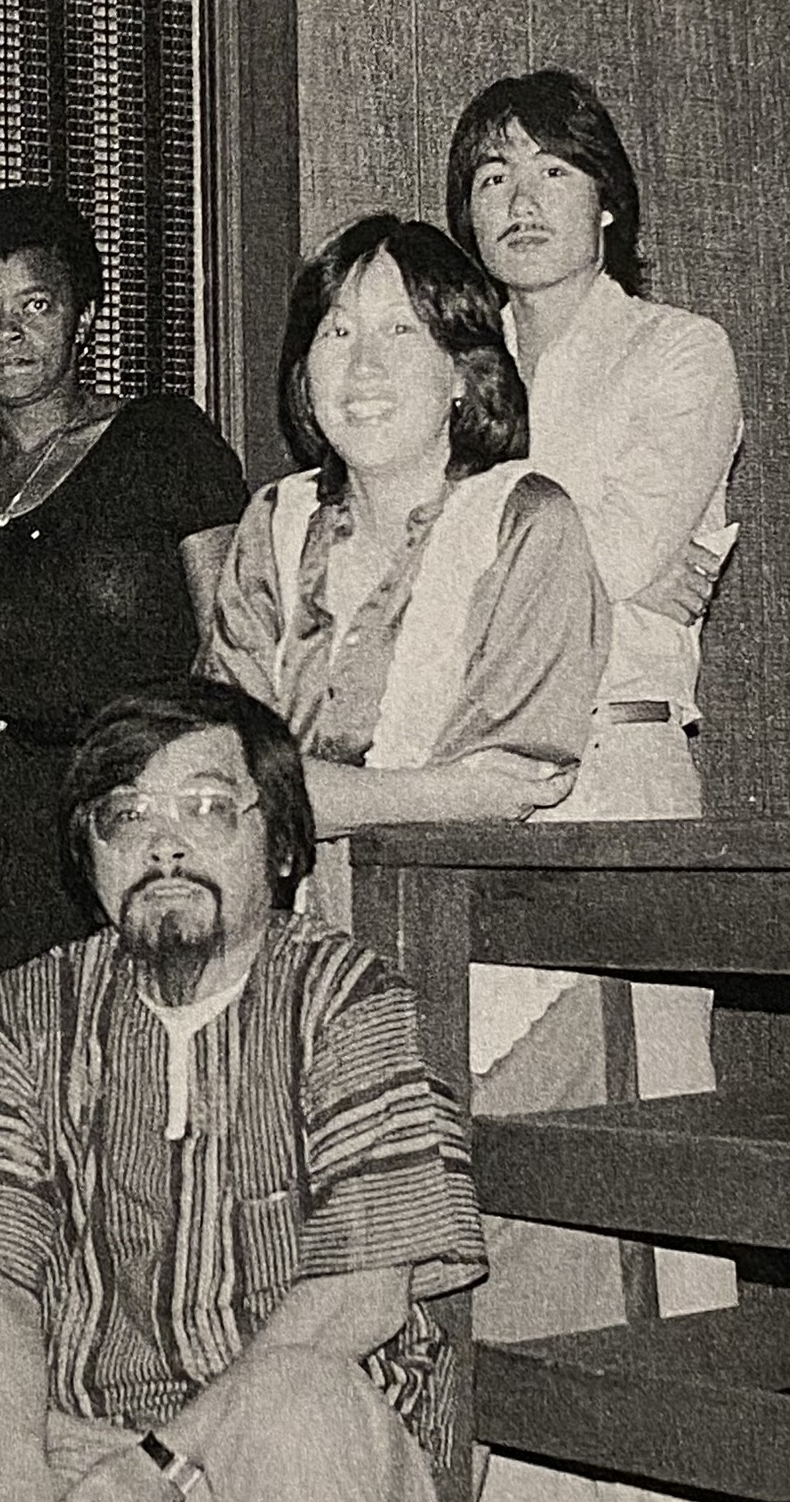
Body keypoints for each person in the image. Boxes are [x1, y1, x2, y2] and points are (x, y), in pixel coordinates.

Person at [0, 679, 487, 1502]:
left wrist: (157, 1466)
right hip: (76, 1443)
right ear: (86, 853)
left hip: (296, 1449)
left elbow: (363, 1292)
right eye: (126, 816)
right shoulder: (16, 1018)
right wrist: (16, 1473)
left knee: (294, 1402)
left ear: (280, 848)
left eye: (206, 808)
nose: (164, 847)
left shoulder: (347, 997)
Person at [446, 69, 742, 1353]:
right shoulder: (446, 360)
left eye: (551, 170)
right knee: (503, 1116)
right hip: (470, 780)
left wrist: (498, 550)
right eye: (492, 175)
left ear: (606, 200)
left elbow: (610, 553)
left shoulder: (680, 348)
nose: (521, 199)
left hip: (620, 767)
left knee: (656, 1118)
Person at [200, 214, 608, 917]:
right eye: (336, 332)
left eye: (398, 330)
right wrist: (436, 790)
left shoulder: (525, 521)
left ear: (460, 369)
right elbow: (209, 775)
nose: (362, 366)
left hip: (487, 948)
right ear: (303, 372)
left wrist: (283, 792)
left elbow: (510, 787)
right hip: (284, 946)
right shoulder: (275, 521)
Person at [0, 186, 249, 970]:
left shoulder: (163, 439)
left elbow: (233, 655)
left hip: (159, 824)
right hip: (22, 854)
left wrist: (200, 821)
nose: (7, 332)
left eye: (35, 304)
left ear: (84, 317)